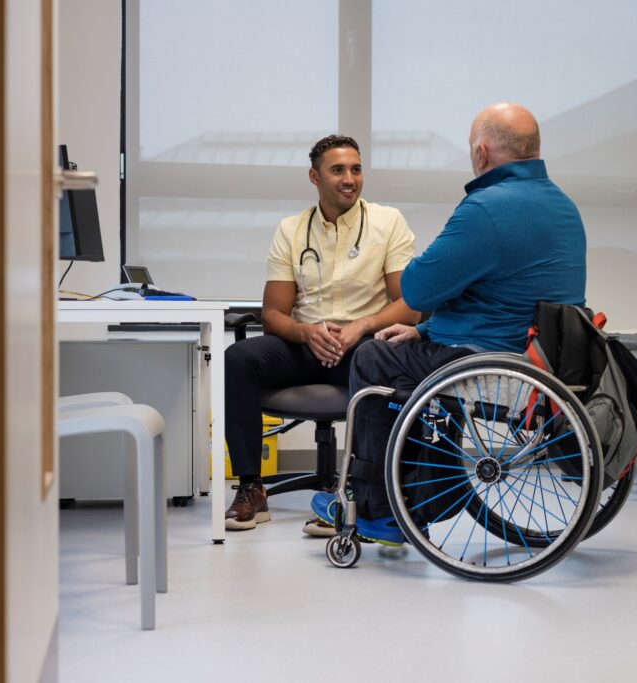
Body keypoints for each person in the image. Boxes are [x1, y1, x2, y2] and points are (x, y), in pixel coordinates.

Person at [309, 102, 587, 545]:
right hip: (541, 361)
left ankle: (379, 509)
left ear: (481, 152)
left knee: (373, 358)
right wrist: (420, 331)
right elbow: (499, 295)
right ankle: (418, 491)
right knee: (406, 349)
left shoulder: (488, 208)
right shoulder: (562, 207)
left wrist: (421, 310)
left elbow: (417, 290)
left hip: (487, 362)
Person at [224, 135, 419, 532]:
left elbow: (409, 306)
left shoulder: (387, 222)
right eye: (337, 170)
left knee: (375, 360)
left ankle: (352, 492)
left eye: (356, 169)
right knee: (238, 359)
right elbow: (274, 314)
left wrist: (359, 328)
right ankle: (251, 487)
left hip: (360, 345)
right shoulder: (291, 230)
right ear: (315, 177)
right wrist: (307, 332)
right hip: (305, 345)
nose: (349, 179)